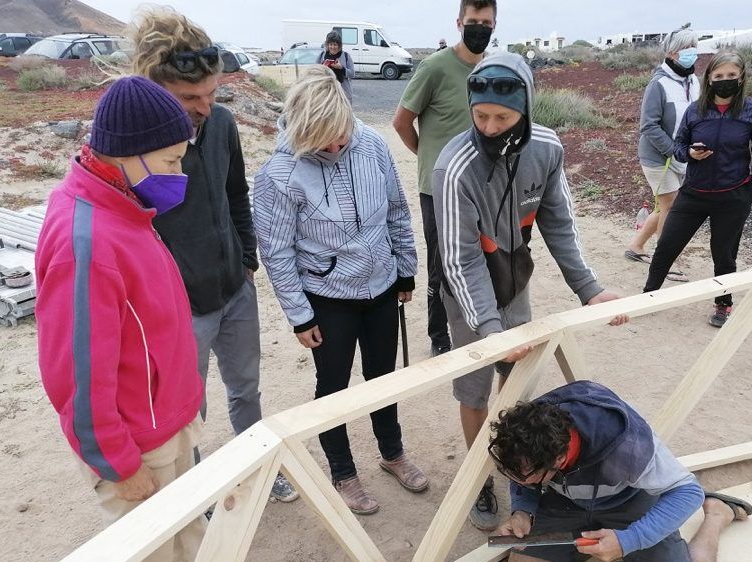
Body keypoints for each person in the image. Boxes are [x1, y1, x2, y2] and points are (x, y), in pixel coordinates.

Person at [35, 76, 286, 562]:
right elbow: (77, 373)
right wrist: (117, 465)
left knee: (191, 525)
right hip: (133, 443)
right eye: (172, 160)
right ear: (130, 152)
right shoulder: (87, 242)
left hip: (166, 422)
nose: (180, 174)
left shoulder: (122, 205)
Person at [433, 52, 628, 531]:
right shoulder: (453, 169)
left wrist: (589, 288)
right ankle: (480, 475)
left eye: (503, 117)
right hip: (469, 295)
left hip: (514, 278)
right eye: (481, 116)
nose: (492, 126)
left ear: (527, 109)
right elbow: (459, 260)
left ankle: (515, 464)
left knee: (517, 380)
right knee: (476, 389)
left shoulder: (546, 148)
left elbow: (559, 220)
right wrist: (492, 329)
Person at [128, 9, 298, 502]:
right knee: (189, 409)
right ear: (155, 89)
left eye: (211, 93)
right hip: (181, 308)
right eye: (189, 98)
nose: (203, 107)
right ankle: (198, 491)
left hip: (234, 288)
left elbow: (235, 195)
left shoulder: (221, 124)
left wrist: (248, 259)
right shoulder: (138, 149)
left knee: (247, 390)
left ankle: (257, 467)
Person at [253, 66, 428, 515]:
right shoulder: (279, 173)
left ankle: (392, 453)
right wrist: (300, 314)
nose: (335, 147)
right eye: (323, 143)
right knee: (333, 386)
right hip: (327, 296)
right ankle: (343, 471)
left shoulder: (370, 144)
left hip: (382, 286)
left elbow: (395, 210)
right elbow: (276, 251)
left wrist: (405, 269)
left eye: (341, 137)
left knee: (382, 375)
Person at [489, 380, 752, 562]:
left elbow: (687, 492)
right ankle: (585, 535)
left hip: (629, 500)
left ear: (559, 459)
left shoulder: (627, 446)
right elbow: (522, 472)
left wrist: (630, 540)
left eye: (531, 478)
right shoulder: (529, 429)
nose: (520, 482)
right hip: (568, 501)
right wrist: (523, 510)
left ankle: (718, 515)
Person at [393, 0, 498, 357]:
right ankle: (440, 336)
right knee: (442, 263)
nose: (479, 28)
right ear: (459, 22)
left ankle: (480, 319)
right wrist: (430, 159)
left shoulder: (493, 69)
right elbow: (401, 122)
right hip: (438, 188)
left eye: (486, 22)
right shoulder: (434, 67)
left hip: (482, 184)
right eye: (473, 21)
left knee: (482, 255)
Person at [643, 50, 752, 327]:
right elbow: (678, 146)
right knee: (666, 246)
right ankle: (648, 296)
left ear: (741, 77)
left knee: (724, 254)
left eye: (731, 76)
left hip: (733, 197)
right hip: (694, 194)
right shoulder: (695, 110)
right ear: (709, 78)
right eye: (719, 76)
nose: (725, 80)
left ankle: (723, 305)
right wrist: (689, 153)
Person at [625, 29, 702, 284]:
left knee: (665, 205)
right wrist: (674, 150)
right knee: (672, 205)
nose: (693, 50)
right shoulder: (658, 84)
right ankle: (665, 260)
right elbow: (648, 126)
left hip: (684, 156)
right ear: (671, 53)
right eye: (687, 46)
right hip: (658, 157)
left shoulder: (694, 82)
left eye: (694, 44)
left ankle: (636, 246)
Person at [317, 30, 355, 104]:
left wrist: (341, 68)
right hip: (326, 93)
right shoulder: (322, 55)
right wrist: (323, 68)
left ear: (339, 45)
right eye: (330, 44)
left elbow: (352, 73)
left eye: (335, 44)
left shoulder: (346, 56)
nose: (333, 47)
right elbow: (315, 72)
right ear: (327, 45)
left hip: (343, 94)